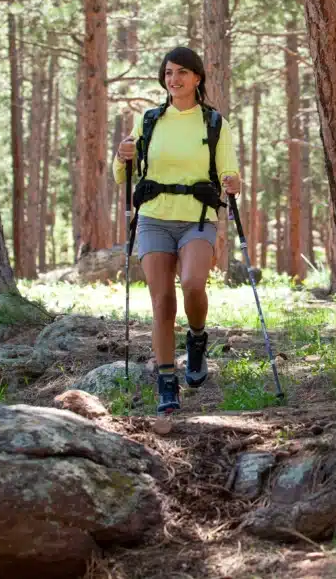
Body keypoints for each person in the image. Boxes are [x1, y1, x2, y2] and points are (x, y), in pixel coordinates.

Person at [113, 46, 240, 415]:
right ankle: (167, 381)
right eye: (169, 73)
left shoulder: (214, 123)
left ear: (197, 78)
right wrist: (121, 157)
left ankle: (197, 338)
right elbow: (124, 172)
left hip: (198, 217)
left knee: (193, 284)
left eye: (182, 72)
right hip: (153, 217)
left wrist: (232, 181)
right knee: (162, 301)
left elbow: (229, 170)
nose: (174, 79)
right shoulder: (150, 120)